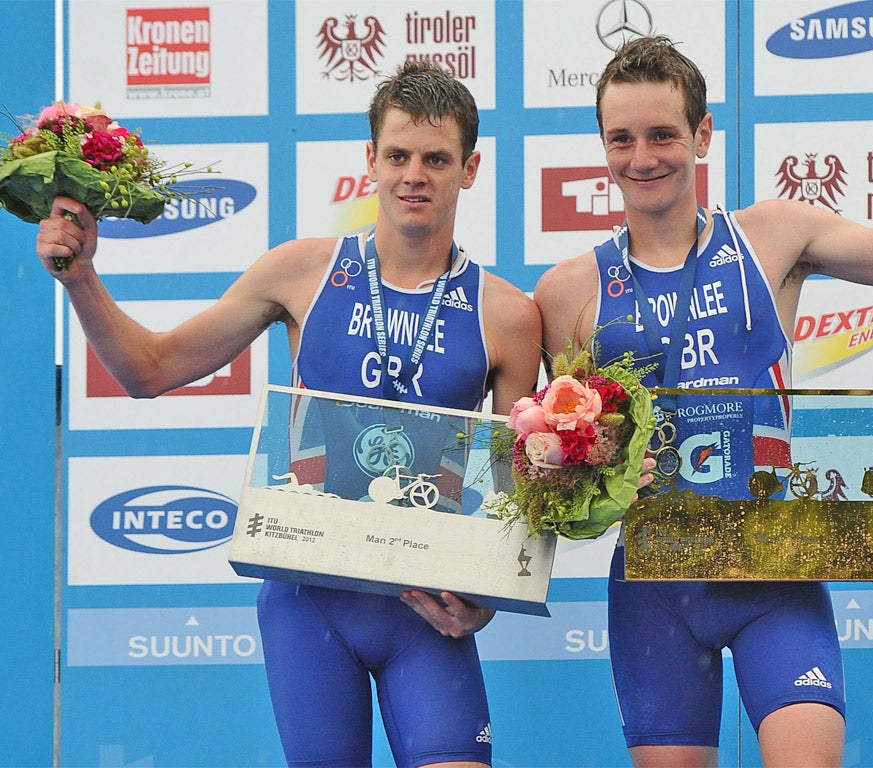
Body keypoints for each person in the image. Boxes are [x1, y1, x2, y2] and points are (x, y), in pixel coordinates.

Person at [36, 60, 542, 768]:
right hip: (309, 605)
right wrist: (82, 277)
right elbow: (149, 371)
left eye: (436, 158)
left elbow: (512, 491)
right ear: (370, 160)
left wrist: (487, 600)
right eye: (397, 155)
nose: (414, 174)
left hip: (427, 615)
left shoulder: (510, 315)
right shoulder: (298, 273)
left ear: (471, 167)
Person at [533, 33, 873, 768]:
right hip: (655, 588)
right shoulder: (566, 293)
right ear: (603, 146)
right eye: (621, 138)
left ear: (703, 134)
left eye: (663, 134)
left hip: (775, 571)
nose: (641, 156)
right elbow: (554, 475)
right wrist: (592, 488)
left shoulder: (771, 238)